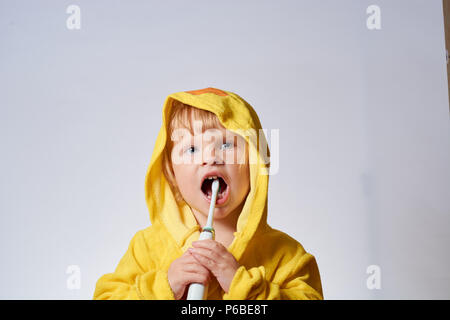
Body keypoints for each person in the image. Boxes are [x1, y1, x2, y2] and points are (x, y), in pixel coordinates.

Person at [93, 87, 323, 300]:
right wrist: (164, 287)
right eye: (191, 149)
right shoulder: (147, 247)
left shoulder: (285, 255)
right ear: (171, 172)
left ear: (254, 163)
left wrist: (243, 286)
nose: (210, 157)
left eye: (226, 145)